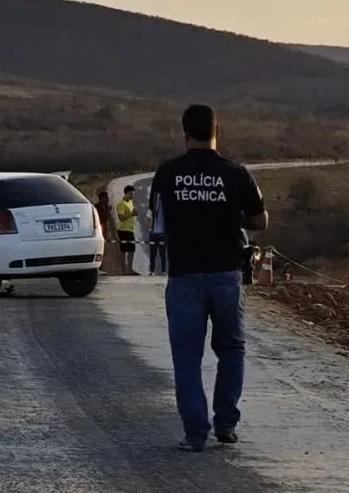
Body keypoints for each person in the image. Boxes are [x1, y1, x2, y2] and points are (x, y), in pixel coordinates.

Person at [148, 104, 268, 453]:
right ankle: (226, 424)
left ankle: (195, 433)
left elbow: (157, 225)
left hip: (184, 276)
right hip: (226, 275)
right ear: (218, 132)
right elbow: (260, 222)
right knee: (231, 349)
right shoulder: (237, 173)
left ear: (184, 134)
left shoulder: (167, 174)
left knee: (187, 358)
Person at [115, 185, 138, 274]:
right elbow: (121, 217)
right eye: (131, 194)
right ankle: (124, 270)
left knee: (131, 250)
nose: (132, 195)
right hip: (123, 230)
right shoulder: (121, 204)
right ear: (126, 193)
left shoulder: (130, 202)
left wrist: (134, 213)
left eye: (133, 194)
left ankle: (129, 270)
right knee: (124, 251)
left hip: (130, 229)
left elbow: (132, 213)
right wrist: (131, 214)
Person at [146, 190, 167, 276]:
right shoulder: (152, 210)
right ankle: (152, 270)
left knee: (162, 254)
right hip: (154, 234)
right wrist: (150, 228)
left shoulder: (165, 209)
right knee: (153, 254)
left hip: (162, 234)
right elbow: (148, 220)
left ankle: (163, 270)